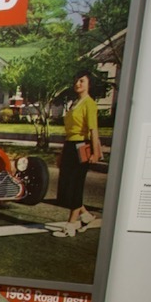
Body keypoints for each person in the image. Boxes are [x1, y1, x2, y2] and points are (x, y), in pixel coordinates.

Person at [49, 70, 105, 238]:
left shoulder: (90, 104)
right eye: (76, 80)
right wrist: (62, 153)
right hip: (70, 145)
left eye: (82, 81)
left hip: (82, 145)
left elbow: (93, 130)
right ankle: (86, 216)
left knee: (76, 185)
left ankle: (71, 225)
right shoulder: (75, 103)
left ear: (89, 84)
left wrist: (95, 152)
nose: (77, 83)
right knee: (66, 186)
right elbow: (69, 132)